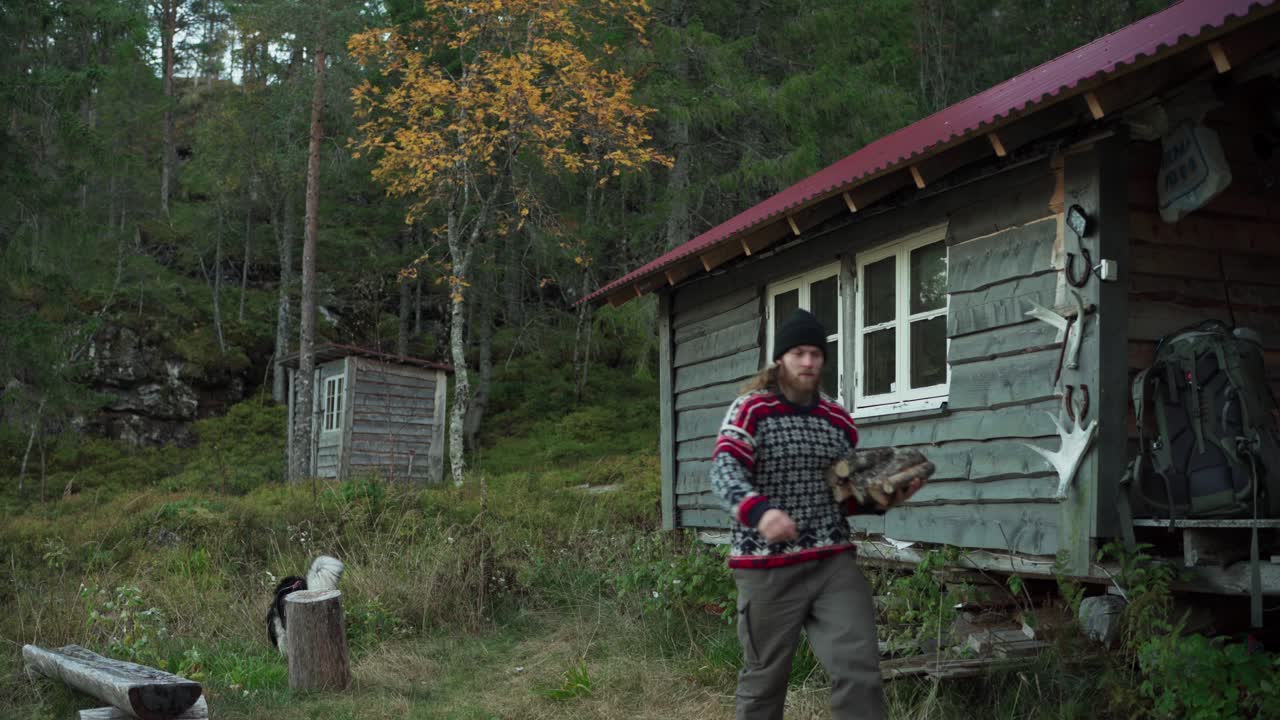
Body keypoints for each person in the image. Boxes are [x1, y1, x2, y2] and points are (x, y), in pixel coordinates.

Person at [710, 308, 925, 720]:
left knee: (859, 670)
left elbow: (841, 494)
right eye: (798, 353)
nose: (808, 362)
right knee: (764, 680)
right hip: (766, 567)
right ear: (780, 359)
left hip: (831, 563)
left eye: (816, 354)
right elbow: (725, 470)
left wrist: (883, 498)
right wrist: (760, 512)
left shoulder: (837, 420)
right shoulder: (750, 410)